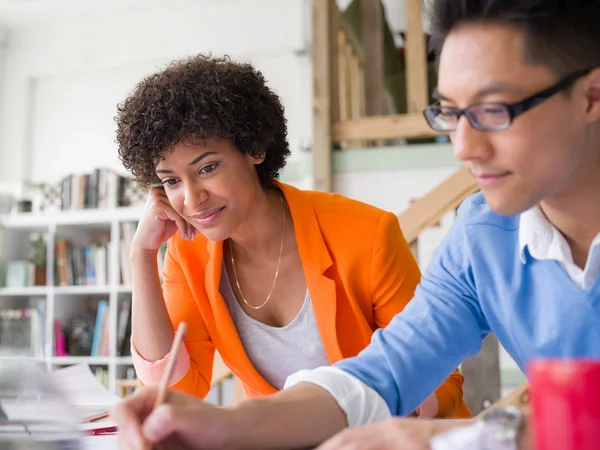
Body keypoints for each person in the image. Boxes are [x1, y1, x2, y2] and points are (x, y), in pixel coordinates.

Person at [112, 0, 600, 447]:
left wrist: (430, 438)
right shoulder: (483, 236)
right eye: (450, 114)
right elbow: (384, 372)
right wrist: (224, 425)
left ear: (591, 97)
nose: (463, 147)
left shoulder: (370, 232)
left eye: (494, 110)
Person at [115, 54, 469, 421]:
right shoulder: (187, 254)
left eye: (207, 167)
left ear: (254, 148)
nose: (191, 199)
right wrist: (141, 256)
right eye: (171, 180)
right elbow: (173, 393)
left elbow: (440, 383)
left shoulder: (367, 233)